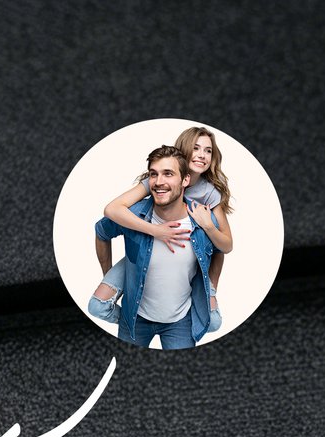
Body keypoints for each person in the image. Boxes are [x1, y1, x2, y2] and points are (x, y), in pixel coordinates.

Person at [89, 126, 233, 338]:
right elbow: (112, 210)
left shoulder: (209, 193)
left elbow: (225, 246)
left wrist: (209, 227)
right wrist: (155, 230)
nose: (202, 155)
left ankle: (181, 319)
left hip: (187, 254)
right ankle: (134, 319)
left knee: (213, 322)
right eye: (196, 148)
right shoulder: (158, 180)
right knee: (98, 305)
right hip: (146, 247)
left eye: (208, 150)